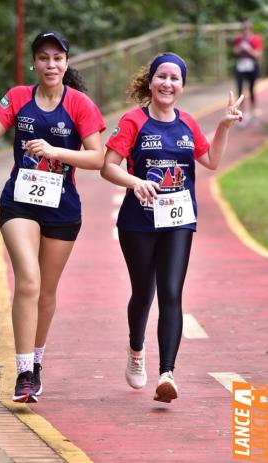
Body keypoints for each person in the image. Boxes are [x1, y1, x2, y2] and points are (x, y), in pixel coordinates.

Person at [0, 30, 106, 403]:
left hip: (62, 208)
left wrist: (55, 152)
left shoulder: (79, 104)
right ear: (35, 62)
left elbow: (97, 158)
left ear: (65, 63)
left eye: (57, 58)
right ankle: (24, 371)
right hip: (20, 204)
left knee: (46, 291)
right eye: (43, 57)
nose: (50, 64)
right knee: (27, 281)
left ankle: (37, 361)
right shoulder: (17, 97)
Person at [101, 53, 243, 403]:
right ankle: (136, 350)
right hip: (138, 221)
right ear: (150, 82)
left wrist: (223, 126)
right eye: (161, 76)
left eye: (175, 78)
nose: (167, 83)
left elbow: (210, 161)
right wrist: (135, 182)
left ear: (181, 86)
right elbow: (108, 167)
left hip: (178, 220)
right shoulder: (133, 121)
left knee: (171, 292)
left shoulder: (188, 124)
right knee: (143, 293)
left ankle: (167, 374)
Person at [233, 18, 263, 122]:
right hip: (241, 66)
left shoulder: (255, 39)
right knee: (240, 89)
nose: (245, 28)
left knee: (251, 89)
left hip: (252, 67)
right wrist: (240, 48)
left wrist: (248, 49)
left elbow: (258, 55)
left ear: (250, 26)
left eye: (247, 26)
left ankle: (253, 111)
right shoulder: (238, 39)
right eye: (244, 26)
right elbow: (235, 51)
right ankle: (241, 113)